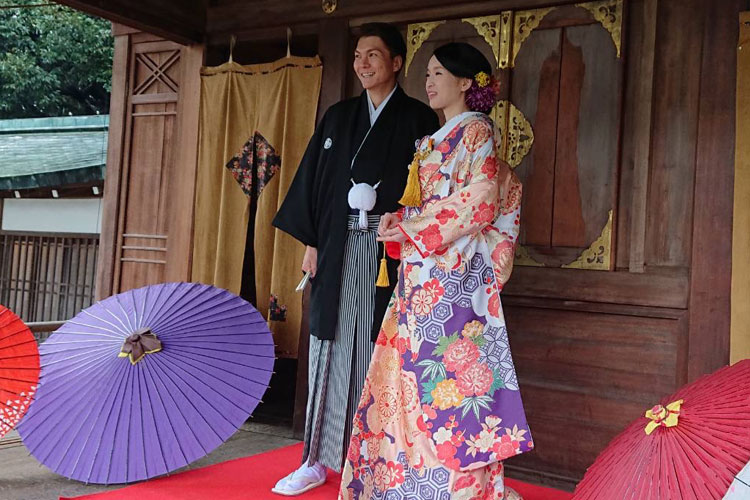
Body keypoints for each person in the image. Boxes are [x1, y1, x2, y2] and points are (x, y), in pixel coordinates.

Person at [338, 42, 532, 500]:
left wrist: (413, 227)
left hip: (454, 281)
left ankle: (458, 486)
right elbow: (426, 205)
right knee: (406, 374)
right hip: (422, 273)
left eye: (440, 74)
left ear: (467, 83)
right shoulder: (432, 140)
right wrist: (399, 221)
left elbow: (481, 200)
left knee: (452, 381)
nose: (429, 82)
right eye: (427, 73)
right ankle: (407, 481)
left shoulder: (477, 132)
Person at [271, 23, 439, 496]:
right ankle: (314, 459)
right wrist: (311, 243)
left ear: (397, 62)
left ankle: (375, 460)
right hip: (337, 243)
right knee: (329, 346)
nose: (363, 63)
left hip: (390, 250)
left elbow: (430, 191)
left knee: (376, 350)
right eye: (359, 56)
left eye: (374, 55)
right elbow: (316, 184)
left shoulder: (419, 120)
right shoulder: (339, 117)